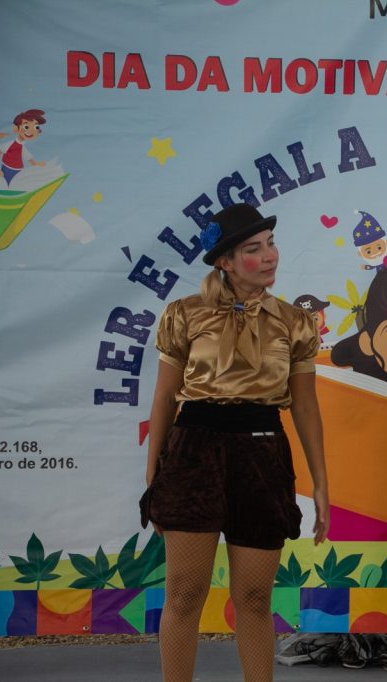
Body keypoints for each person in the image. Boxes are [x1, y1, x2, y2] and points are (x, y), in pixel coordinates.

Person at [141, 202, 329, 682]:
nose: (269, 256)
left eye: (270, 244)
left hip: (262, 457)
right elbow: (164, 397)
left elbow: (306, 407)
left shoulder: (294, 322)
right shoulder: (185, 314)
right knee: (184, 595)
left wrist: (321, 483)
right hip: (194, 455)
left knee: (254, 598)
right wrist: (154, 475)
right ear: (224, 261)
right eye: (253, 248)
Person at [0, 109, 47, 186]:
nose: (31, 131)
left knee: (16, 185)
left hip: (19, 170)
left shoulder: (22, 147)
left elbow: (29, 158)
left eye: (36, 127)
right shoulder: (10, 144)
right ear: (16, 128)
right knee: (5, 184)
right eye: (26, 126)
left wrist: (37, 164)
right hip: (7, 169)